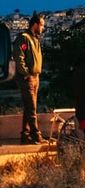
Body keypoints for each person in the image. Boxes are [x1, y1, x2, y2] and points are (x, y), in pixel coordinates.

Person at [12, 13, 45, 144]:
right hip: (28, 78)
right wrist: (26, 74)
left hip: (35, 77)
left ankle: (25, 135)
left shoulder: (35, 39)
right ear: (35, 24)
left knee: (29, 107)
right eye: (42, 25)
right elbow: (19, 57)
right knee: (31, 108)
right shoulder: (23, 38)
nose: (43, 28)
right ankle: (36, 135)